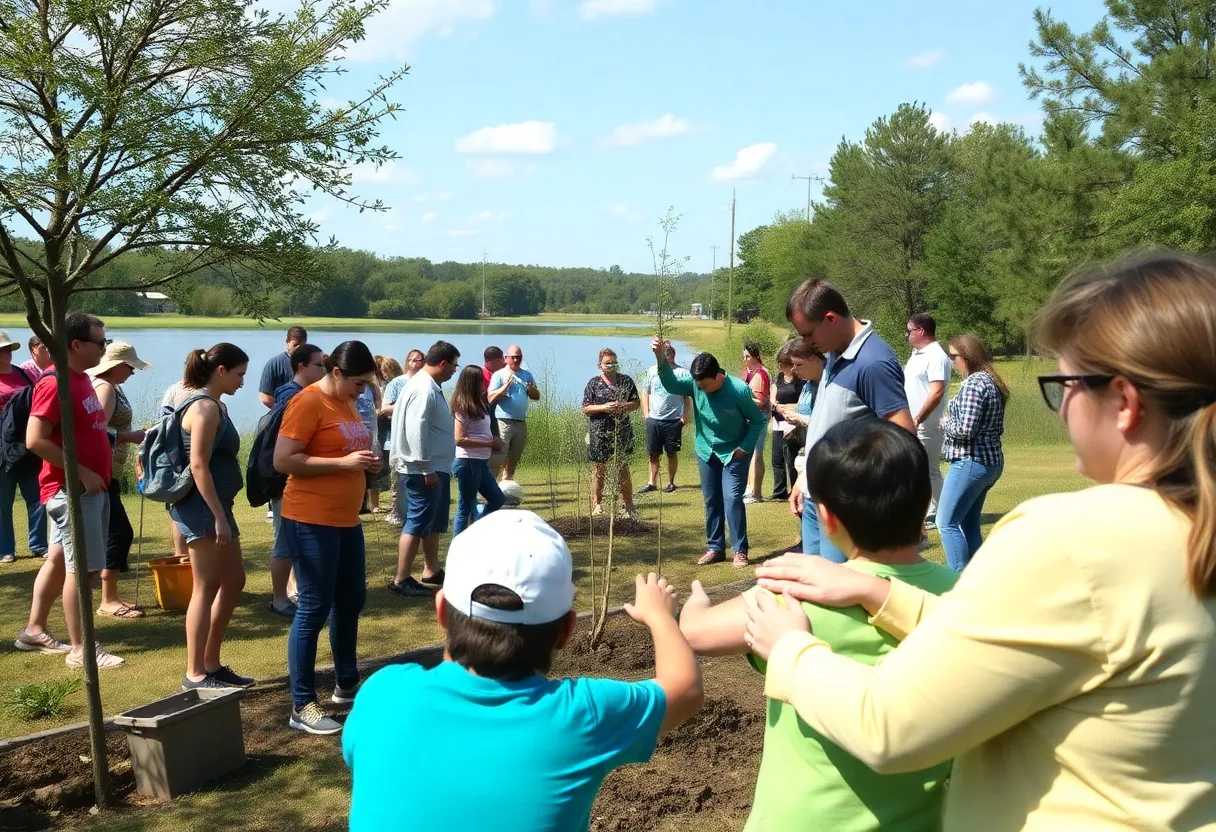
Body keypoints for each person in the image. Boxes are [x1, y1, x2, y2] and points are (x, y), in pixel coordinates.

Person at [749, 252, 1216, 830]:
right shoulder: (1189, 526)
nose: (1063, 404)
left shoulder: (1068, 541)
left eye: (1065, 385)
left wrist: (791, 647)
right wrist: (883, 597)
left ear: (1124, 403)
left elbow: (892, 727)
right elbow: (1060, 644)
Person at [342, 509, 704, 831]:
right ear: (566, 630)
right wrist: (660, 616)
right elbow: (685, 689)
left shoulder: (382, 693)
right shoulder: (582, 714)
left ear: (441, 612)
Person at [680, 419, 957, 831]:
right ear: (926, 499)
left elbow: (697, 633)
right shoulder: (966, 598)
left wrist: (696, 600)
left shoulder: (798, 598)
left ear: (826, 518)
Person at [273, 340, 381, 734]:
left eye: (368, 382)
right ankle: (302, 705)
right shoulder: (308, 402)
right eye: (359, 382)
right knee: (314, 608)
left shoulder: (347, 401)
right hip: (310, 518)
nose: (364, 389)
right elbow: (284, 460)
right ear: (336, 372)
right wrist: (344, 462)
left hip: (346, 519)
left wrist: (367, 462)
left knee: (351, 599)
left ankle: (346, 682)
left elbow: (350, 448)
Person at [20, 313, 123, 668]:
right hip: (73, 490)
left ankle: (34, 630)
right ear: (77, 345)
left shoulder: (80, 379)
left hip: (85, 488)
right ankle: (83, 650)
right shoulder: (56, 383)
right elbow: (35, 440)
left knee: (58, 560)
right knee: (82, 570)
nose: (104, 348)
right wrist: (82, 472)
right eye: (101, 343)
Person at [786, 279, 914, 563]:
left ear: (830, 319)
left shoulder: (873, 362)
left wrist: (904, 511)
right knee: (816, 595)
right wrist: (804, 478)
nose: (807, 343)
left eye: (808, 334)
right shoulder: (834, 354)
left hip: (847, 507)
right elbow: (827, 423)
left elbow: (904, 438)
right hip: (815, 498)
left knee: (840, 598)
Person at [173, 343, 252, 691]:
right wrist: (218, 516)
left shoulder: (216, 404)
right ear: (221, 371)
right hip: (204, 508)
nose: (242, 382)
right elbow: (198, 464)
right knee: (204, 587)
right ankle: (195, 674)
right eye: (239, 374)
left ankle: (212, 663)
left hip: (218, 505)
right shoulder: (204, 408)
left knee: (234, 580)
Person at [651, 341, 766, 568]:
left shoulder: (738, 390)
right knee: (711, 500)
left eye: (704, 384)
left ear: (718, 377)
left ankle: (740, 551)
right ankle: (715, 548)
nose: (700, 389)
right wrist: (660, 359)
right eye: (698, 385)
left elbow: (757, 420)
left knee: (732, 498)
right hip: (706, 450)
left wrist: (744, 447)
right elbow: (672, 384)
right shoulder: (695, 384)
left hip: (734, 452)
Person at [389, 341, 459, 598]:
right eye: (453, 365)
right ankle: (401, 578)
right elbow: (416, 429)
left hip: (435, 467)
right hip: (423, 470)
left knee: (433, 521)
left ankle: (431, 570)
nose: (454, 370)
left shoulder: (427, 385)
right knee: (417, 522)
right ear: (443, 363)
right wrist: (425, 466)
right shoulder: (422, 389)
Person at [87, 342, 150, 618]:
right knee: (119, 532)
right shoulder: (105, 387)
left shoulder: (112, 386)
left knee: (115, 531)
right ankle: (108, 600)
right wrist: (129, 437)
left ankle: (109, 597)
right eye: (130, 367)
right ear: (116, 365)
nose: (133, 372)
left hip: (109, 470)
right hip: (102, 470)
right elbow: (95, 430)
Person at [937, 333, 1008, 572]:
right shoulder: (990, 381)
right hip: (988, 463)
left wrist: (945, 422)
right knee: (968, 523)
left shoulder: (974, 384)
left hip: (971, 462)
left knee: (945, 522)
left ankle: (958, 582)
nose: (951, 361)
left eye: (953, 356)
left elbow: (966, 429)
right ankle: (980, 578)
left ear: (967, 357)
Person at [267, 343, 328, 617]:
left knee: (295, 540)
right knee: (284, 540)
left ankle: (295, 590)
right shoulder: (291, 395)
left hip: (299, 479)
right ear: (301, 366)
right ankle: (280, 598)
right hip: (284, 479)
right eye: (319, 365)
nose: (324, 370)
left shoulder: (307, 394)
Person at [0, 332, 46, 564]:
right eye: (1, 350)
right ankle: (5, 549)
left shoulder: (24, 374)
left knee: (36, 498)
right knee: (3, 502)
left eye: (8, 349)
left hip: (27, 446)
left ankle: (39, 545)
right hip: (1, 451)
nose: (6, 353)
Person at [903, 313, 953, 526]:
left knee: (929, 469)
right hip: (912, 421)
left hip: (928, 423)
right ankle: (927, 512)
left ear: (921, 331)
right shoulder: (918, 354)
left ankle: (940, 514)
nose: (907, 335)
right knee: (917, 468)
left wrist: (919, 417)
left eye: (909, 331)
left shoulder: (936, 355)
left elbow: (937, 391)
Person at [582, 348, 641, 519]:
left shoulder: (626, 381)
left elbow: (636, 403)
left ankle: (628, 505)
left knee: (622, 465)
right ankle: (597, 504)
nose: (611, 366)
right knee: (599, 467)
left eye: (614, 362)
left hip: (621, 429)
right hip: (598, 430)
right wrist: (604, 407)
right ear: (600, 365)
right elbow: (585, 408)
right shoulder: (593, 383)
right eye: (608, 363)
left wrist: (624, 406)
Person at [450, 366, 505, 535]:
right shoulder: (462, 405)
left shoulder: (480, 402)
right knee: (464, 507)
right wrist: (489, 443)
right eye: (482, 379)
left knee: (497, 498)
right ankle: (458, 548)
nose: (485, 382)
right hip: (468, 462)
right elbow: (459, 439)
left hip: (480, 463)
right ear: (472, 382)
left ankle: (476, 528)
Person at [639, 342, 693, 494]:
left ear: (672, 356)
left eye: (666, 356)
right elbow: (645, 392)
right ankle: (651, 482)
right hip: (654, 419)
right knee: (653, 453)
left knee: (671, 452)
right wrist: (646, 414)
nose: (662, 360)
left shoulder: (682, 373)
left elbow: (687, 398)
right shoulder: (651, 371)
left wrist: (684, 417)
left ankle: (671, 482)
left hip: (673, 421)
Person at [379, 349, 423, 526]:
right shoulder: (397, 383)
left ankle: (415, 510)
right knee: (398, 474)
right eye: (414, 360)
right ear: (408, 363)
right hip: (398, 435)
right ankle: (397, 512)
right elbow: (385, 408)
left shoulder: (427, 383)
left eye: (422, 360)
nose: (418, 363)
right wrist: (406, 404)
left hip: (419, 436)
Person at [488, 345, 539, 481]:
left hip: (521, 421)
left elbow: (536, 396)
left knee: (514, 456)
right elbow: (490, 397)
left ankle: (508, 483)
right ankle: (490, 485)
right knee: (500, 455)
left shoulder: (526, 374)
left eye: (519, 357)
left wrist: (530, 389)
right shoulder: (499, 375)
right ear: (506, 358)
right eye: (513, 357)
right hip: (504, 420)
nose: (516, 360)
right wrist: (505, 387)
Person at [768, 343, 802, 503]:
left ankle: (796, 487)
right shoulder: (779, 378)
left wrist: (789, 408)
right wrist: (774, 403)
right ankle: (779, 490)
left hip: (792, 418)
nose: (781, 367)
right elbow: (773, 391)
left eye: (784, 364)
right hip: (778, 417)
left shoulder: (800, 380)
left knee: (791, 454)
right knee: (777, 455)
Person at [741, 342, 771, 504]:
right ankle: (749, 489)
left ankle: (755, 493)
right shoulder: (749, 372)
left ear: (755, 356)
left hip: (759, 418)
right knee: (750, 454)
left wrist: (741, 398)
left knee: (756, 455)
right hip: (751, 418)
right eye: (744, 356)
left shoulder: (760, 374)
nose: (745, 359)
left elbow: (760, 401)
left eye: (748, 356)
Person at [258, 325, 307, 409]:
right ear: (287, 341)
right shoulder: (274, 364)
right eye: (296, 345)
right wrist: (281, 411)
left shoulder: (312, 364)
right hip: (281, 414)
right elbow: (265, 397)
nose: (299, 349)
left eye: (302, 346)